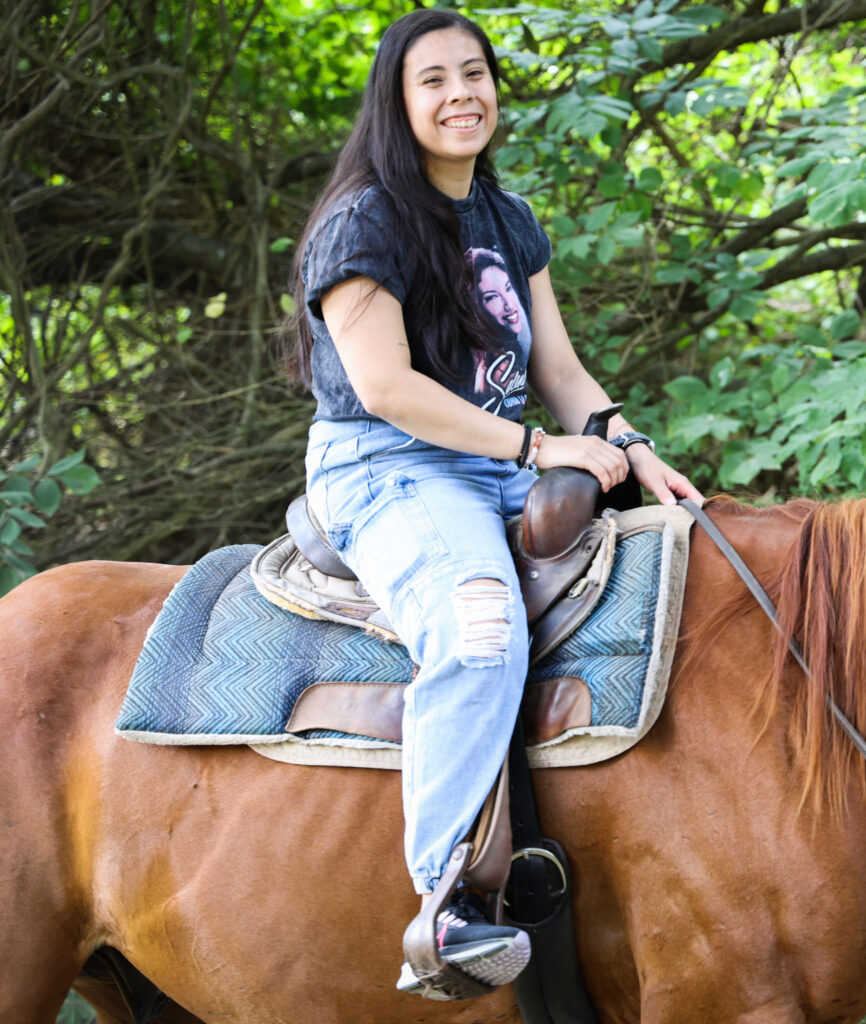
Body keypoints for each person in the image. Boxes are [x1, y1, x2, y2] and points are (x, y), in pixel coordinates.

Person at [284, 8, 702, 998]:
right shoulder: (364, 221)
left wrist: (633, 448)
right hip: (385, 466)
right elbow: (385, 386)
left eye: (474, 74)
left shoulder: (507, 223)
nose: (460, 93)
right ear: (398, 102)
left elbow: (557, 366)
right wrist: (537, 445)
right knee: (478, 630)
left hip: (495, 459)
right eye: (433, 80)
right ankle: (445, 909)